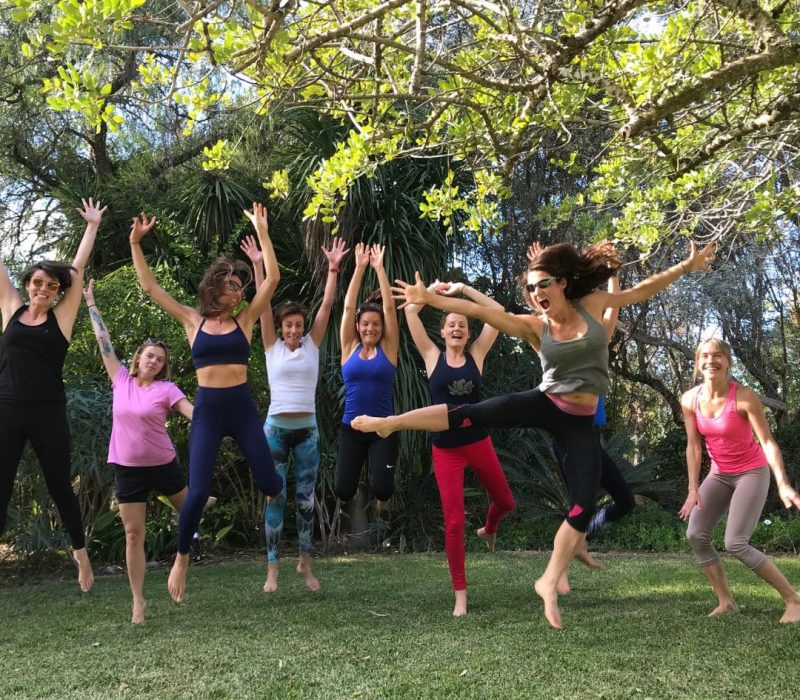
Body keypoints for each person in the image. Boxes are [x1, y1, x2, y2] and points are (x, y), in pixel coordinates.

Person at [353, 239, 716, 628]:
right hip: (546, 402)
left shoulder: (591, 304)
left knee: (582, 506)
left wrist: (685, 267)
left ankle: (548, 579)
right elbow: (476, 311)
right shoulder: (534, 325)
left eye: (542, 284)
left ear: (562, 283)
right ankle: (390, 422)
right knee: (470, 412)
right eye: (530, 288)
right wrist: (433, 300)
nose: (535, 293)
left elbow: (639, 292)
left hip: (578, 422)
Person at [129, 204, 283, 603]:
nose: (238, 291)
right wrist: (135, 242)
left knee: (270, 483)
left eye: (240, 286)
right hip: (210, 412)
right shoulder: (191, 321)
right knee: (195, 493)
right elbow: (149, 288)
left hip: (242, 408)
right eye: (231, 285)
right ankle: (182, 558)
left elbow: (274, 280)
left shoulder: (246, 320)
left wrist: (263, 233)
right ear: (214, 288)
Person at [0, 197, 107, 592]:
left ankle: (81, 557)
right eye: (37, 282)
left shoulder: (61, 318)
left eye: (51, 285)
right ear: (28, 285)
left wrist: (91, 226)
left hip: (47, 411)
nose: (43, 288)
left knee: (60, 483)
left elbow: (76, 272)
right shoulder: (10, 308)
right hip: (7, 408)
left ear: (57, 290)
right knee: (1, 484)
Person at [240, 234, 349, 594]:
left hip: (307, 433)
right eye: (289, 325)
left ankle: (305, 561)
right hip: (275, 431)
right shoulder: (270, 345)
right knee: (275, 498)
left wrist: (333, 268)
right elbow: (263, 302)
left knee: (305, 500)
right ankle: (272, 568)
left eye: (298, 325)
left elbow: (328, 307)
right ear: (281, 326)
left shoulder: (312, 346)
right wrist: (257, 265)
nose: (294, 329)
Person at [83, 281, 194, 623]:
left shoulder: (167, 388)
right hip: (128, 468)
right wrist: (90, 303)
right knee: (134, 535)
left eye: (160, 360)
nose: (154, 362)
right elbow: (104, 342)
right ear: (139, 358)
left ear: (163, 366)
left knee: (190, 516)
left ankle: (196, 510)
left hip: (163, 464)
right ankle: (138, 602)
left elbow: (194, 413)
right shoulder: (121, 380)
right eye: (150, 356)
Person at [404, 280, 515, 616]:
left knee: (506, 502)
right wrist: (432, 292)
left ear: (468, 333)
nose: (457, 328)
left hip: (477, 442)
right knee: (453, 523)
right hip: (446, 450)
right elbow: (410, 311)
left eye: (462, 325)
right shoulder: (431, 356)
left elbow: (497, 313)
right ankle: (460, 594)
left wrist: (465, 290)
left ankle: (489, 528)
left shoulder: (476, 355)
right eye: (451, 324)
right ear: (442, 331)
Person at [679, 338, 800, 623]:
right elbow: (694, 447)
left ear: (728, 362)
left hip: (751, 472)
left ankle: (793, 600)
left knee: (736, 542)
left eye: (718, 356)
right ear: (698, 362)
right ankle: (726, 601)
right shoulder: (689, 400)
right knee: (696, 534)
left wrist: (782, 482)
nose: (711, 361)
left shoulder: (744, 397)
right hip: (719, 473)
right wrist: (692, 489)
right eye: (705, 356)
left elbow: (768, 442)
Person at [336, 242, 399, 510]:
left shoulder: (388, 348)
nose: (370, 328)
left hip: (382, 428)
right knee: (342, 490)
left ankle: (382, 500)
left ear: (382, 328)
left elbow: (389, 309)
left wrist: (379, 269)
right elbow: (349, 308)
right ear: (358, 327)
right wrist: (360, 268)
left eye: (375, 324)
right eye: (365, 324)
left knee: (383, 489)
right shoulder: (349, 348)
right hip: (351, 428)